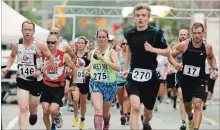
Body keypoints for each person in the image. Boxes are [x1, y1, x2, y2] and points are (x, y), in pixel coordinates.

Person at [122, 3, 170, 130]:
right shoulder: (129, 33)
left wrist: (153, 49)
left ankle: (146, 122)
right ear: (134, 17)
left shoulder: (155, 33)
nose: (140, 18)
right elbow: (129, 50)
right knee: (135, 107)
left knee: (148, 112)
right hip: (134, 75)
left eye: (143, 15)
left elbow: (167, 51)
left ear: (148, 17)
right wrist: (126, 68)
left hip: (151, 77)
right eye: (138, 16)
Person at [1, 20, 54, 130]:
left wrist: (41, 71)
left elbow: (51, 59)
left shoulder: (40, 45)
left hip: (36, 81)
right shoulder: (17, 44)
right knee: (23, 108)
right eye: (25, 29)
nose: (27, 32)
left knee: (32, 108)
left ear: (33, 31)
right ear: (22, 31)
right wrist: (7, 67)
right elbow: (12, 56)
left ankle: (33, 113)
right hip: (22, 79)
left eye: (29, 30)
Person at [168, 23, 218, 130]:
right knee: (187, 105)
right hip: (185, 79)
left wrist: (215, 69)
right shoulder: (185, 45)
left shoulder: (207, 47)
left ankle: (195, 128)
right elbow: (170, 55)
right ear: (191, 33)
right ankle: (190, 118)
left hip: (199, 79)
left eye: (199, 33)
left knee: (197, 104)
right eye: (194, 33)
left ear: (203, 33)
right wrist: (175, 64)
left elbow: (211, 58)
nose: (197, 35)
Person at [85, 28, 121, 130]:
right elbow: (92, 65)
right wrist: (86, 70)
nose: (101, 39)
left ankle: (106, 124)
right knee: (97, 110)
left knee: (105, 114)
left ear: (107, 38)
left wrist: (103, 59)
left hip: (109, 85)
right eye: (99, 37)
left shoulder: (111, 51)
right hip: (95, 83)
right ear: (97, 38)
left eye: (103, 37)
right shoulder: (92, 52)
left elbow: (118, 67)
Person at [40, 34, 75, 130]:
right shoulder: (43, 55)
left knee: (52, 110)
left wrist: (73, 81)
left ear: (58, 43)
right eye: (48, 42)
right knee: (45, 110)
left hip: (58, 87)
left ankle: (58, 115)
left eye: (53, 42)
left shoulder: (63, 55)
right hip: (46, 86)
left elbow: (74, 67)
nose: (50, 44)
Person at [71, 36, 90, 130]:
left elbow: (91, 65)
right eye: (79, 43)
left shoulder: (88, 55)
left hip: (85, 81)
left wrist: (88, 71)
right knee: (75, 99)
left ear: (85, 44)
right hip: (75, 81)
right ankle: (75, 117)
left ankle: (82, 119)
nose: (80, 44)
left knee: (83, 103)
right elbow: (69, 65)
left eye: (82, 43)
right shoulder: (73, 54)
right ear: (76, 44)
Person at [174, 29, 190, 130]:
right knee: (181, 96)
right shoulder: (176, 47)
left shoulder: (193, 46)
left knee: (190, 100)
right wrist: (175, 64)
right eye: (181, 35)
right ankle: (184, 122)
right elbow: (170, 57)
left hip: (193, 75)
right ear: (178, 36)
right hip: (180, 74)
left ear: (188, 36)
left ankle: (191, 118)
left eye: (184, 35)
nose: (183, 36)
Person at [115, 39, 131, 125]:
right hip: (119, 79)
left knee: (126, 97)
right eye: (123, 44)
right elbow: (114, 66)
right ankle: (124, 114)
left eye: (127, 43)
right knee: (122, 102)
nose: (125, 45)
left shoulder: (132, 55)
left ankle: (126, 115)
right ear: (121, 45)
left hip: (129, 79)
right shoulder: (118, 55)